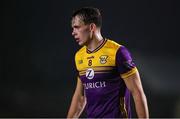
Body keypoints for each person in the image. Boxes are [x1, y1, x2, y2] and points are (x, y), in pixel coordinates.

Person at [67, 7, 149, 118]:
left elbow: (137, 93)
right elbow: (80, 97)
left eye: (77, 27)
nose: (73, 33)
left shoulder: (118, 52)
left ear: (91, 27)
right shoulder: (79, 56)